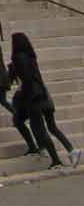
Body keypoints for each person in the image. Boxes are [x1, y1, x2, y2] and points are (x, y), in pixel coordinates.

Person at [9, 31, 80, 168]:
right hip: (43, 93)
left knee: (40, 129)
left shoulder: (19, 57)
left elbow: (26, 79)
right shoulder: (31, 56)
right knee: (51, 126)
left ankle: (55, 159)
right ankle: (71, 151)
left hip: (33, 98)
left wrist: (21, 89)